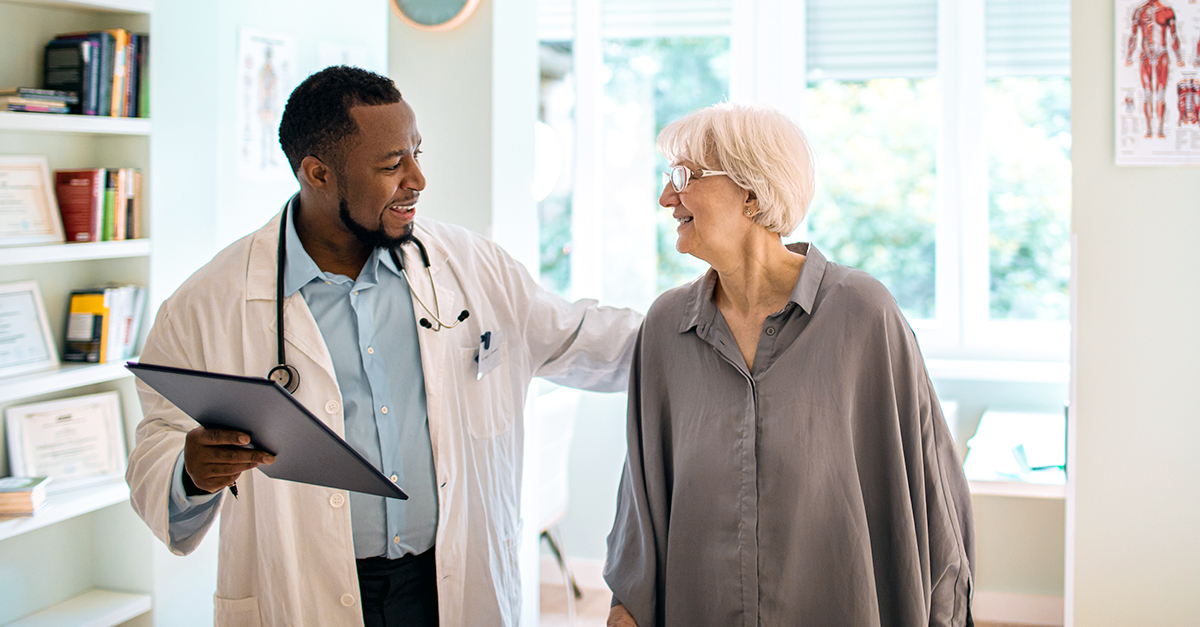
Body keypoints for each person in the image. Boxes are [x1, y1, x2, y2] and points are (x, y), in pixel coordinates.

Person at [125, 66, 642, 627]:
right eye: (392, 164)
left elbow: (583, 336)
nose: (417, 179)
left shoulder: (468, 266)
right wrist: (192, 471)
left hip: (448, 584)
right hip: (304, 593)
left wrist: (713, 321)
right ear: (318, 173)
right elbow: (156, 455)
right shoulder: (208, 303)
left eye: (418, 153)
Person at [603, 103, 974, 627]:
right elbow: (640, 504)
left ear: (752, 194)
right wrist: (626, 610)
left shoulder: (863, 313)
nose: (666, 197)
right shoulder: (666, 327)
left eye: (684, 176)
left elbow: (934, 497)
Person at [1125, 0, 1185, 138]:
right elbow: (1133, 36)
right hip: (1145, 56)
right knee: (1147, 93)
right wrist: (1128, 56)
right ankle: (1148, 129)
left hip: (1161, 55)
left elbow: (1174, 36)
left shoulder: (1167, 11)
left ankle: (1159, 129)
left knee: (1160, 93)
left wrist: (1179, 57)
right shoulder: (1139, 11)